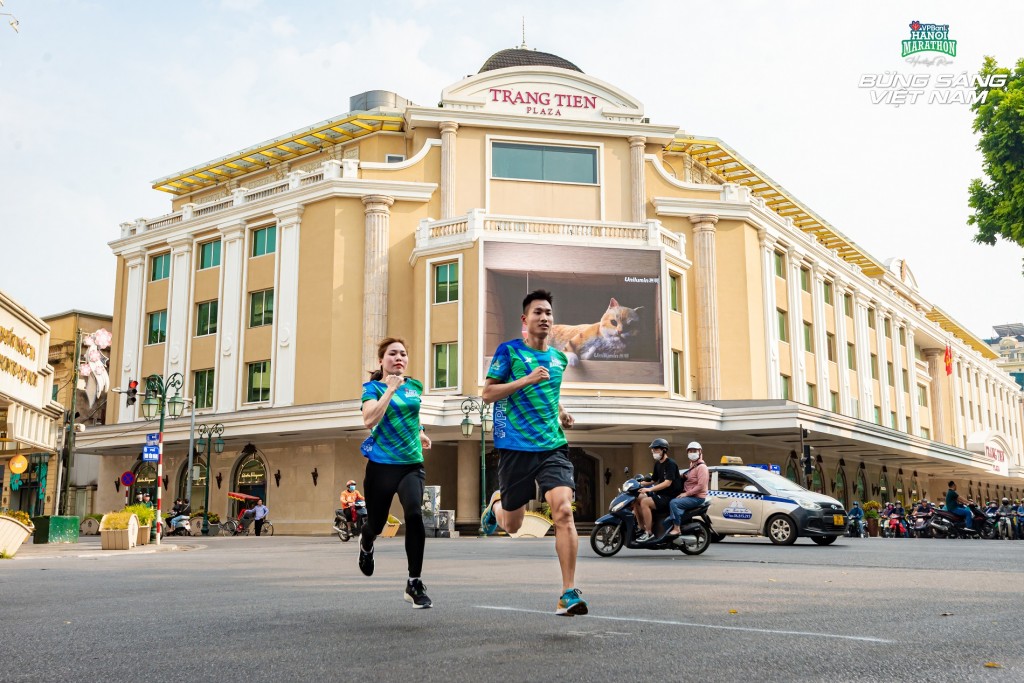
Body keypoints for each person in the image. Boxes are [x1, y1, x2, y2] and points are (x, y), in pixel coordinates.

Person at [479, 289, 585, 617]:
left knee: (563, 510)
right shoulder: (508, 352)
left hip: (552, 446)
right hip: (515, 448)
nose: (544, 317)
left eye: (548, 313)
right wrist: (524, 379)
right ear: (525, 320)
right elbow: (488, 393)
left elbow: (548, 395)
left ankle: (568, 592)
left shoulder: (558, 359)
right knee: (513, 525)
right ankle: (497, 503)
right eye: (537, 312)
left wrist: (561, 413)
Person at [359, 337, 433, 609]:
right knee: (376, 525)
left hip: (411, 464)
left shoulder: (414, 386)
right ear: (382, 360)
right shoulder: (372, 388)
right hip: (381, 467)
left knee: (414, 514)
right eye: (392, 354)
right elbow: (369, 419)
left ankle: (414, 582)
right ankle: (366, 542)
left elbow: (413, 415)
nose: (399, 358)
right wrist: (389, 390)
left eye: (403, 353)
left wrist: (421, 432)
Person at [634, 438, 682, 542]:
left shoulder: (671, 464)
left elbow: (667, 483)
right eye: (653, 450)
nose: (654, 452)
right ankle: (641, 528)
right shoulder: (657, 464)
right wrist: (637, 484)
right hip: (661, 495)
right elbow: (653, 480)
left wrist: (648, 490)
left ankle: (649, 532)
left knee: (645, 502)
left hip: (669, 496)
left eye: (656, 450)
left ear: (664, 450)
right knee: (636, 498)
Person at [667, 442, 709, 536]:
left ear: (700, 452)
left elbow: (701, 486)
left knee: (674, 503)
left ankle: (676, 528)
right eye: (690, 451)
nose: (692, 453)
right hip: (691, 495)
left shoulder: (702, 467)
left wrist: (686, 494)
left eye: (694, 451)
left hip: (697, 497)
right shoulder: (692, 465)